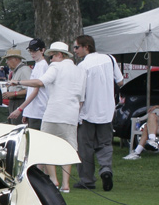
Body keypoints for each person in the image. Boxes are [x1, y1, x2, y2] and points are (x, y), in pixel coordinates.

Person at [12, 41, 85, 192]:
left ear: (59, 55)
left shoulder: (56, 66)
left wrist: (18, 81)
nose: (50, 60)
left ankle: (54, 179)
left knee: (46, 144)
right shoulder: (80, 70)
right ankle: (66, 184)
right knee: (69, 147)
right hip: (71, 114)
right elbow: (81, 99)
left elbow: (40, 82)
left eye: (52, 56)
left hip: (54, 112)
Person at [73, 34, 123, 191]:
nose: (75, 51)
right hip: (107, 110)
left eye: (76, 47)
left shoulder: (82, 66)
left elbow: (79, 92)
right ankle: (106, 169)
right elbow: (120, 81)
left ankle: (87, 179)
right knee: (105, 144)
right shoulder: (110, 59)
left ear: (86, 47)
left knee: (85, 147)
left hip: (87, 112)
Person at [9, 38, 49, 128]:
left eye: (35, 50)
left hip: (38, 111)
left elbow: (35, 90)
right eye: (30, 51)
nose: (32, 53)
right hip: (33, 111)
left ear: (43, 50)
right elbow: (31, 91)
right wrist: (26, 111)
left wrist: (20, 108)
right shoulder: (38, 65)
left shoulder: (42, 65)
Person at [0, 48, 31, 115]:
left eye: (8, 59)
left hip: (20, 102)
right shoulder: (16, 71)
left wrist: (13, 93)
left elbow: (30, 90)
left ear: (16, 59)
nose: (6, 62)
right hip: (14, 102)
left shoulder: (24, 70)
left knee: (17, 124)